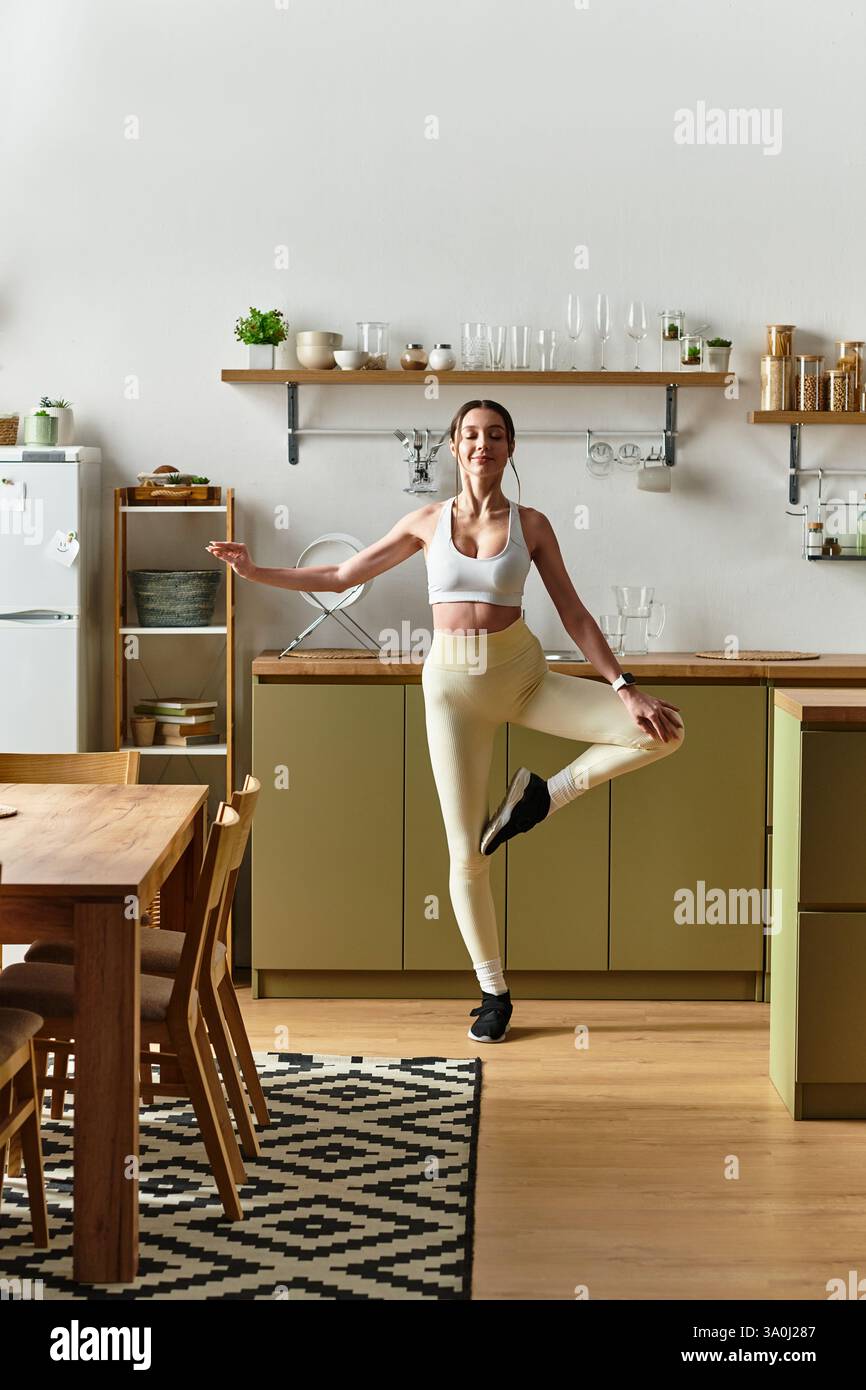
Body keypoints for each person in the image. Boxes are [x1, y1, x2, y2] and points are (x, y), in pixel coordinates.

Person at [207, 399, 685, 1045]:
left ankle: (544, 796)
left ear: (509, 448)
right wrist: (255, 570)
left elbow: (574, 614)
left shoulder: (533, 525)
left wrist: (624, 688)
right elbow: (344, 573)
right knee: (465, 854)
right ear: (454, 448)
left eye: (494, 435)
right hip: (452, 691)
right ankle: (494, 993)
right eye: (470, 435)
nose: (481, 444)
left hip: (524, 676)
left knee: (663, 731)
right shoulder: (427, 522)